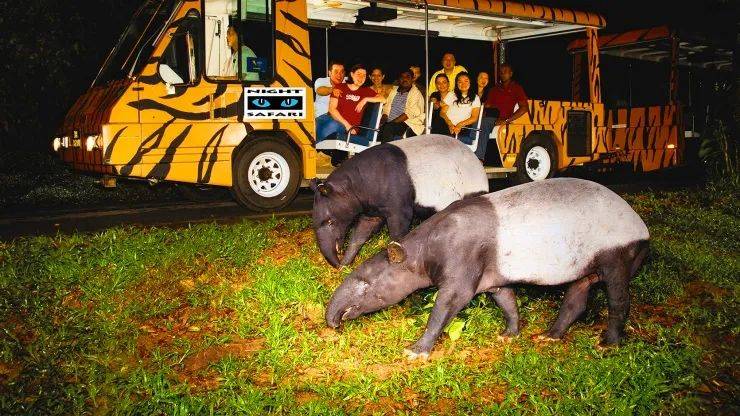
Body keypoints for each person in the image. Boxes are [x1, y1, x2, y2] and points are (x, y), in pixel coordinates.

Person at [317, 64, 383, 143]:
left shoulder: (366, 91)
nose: (361, 78)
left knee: (332, 126)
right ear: (352, 74)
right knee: (312, 124)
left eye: (364, 76)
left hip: (342, 125)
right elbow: (332, 109)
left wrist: (365, 99)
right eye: (358, 74)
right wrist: (347, 125)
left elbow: (383, 99)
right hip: (327, 118)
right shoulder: (340, 87)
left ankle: (315, 150)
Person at [441, 72, 494, 161]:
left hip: (462, 129)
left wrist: (460, 125)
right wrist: (449, 123)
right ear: (457, 84)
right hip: (446, 126)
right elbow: (442, 112)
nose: (463, 84)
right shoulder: (451, 95)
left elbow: (474, 117)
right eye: (460, 82)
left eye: (466, 81)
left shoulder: (475, 98)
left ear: (470, 83)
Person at [378, 70, 425, 142]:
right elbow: (386, 109)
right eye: (402, 77)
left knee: (388, 128)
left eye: (407, 77)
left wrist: (389, 124)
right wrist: (382, 121)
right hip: (390, 123)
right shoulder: (394, 91)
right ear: (398, 79)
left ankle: (385, 152)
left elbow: (408, 114)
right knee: (376, 127)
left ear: (412, 79)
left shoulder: (415, 93)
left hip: (407, 123)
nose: (404, 79)